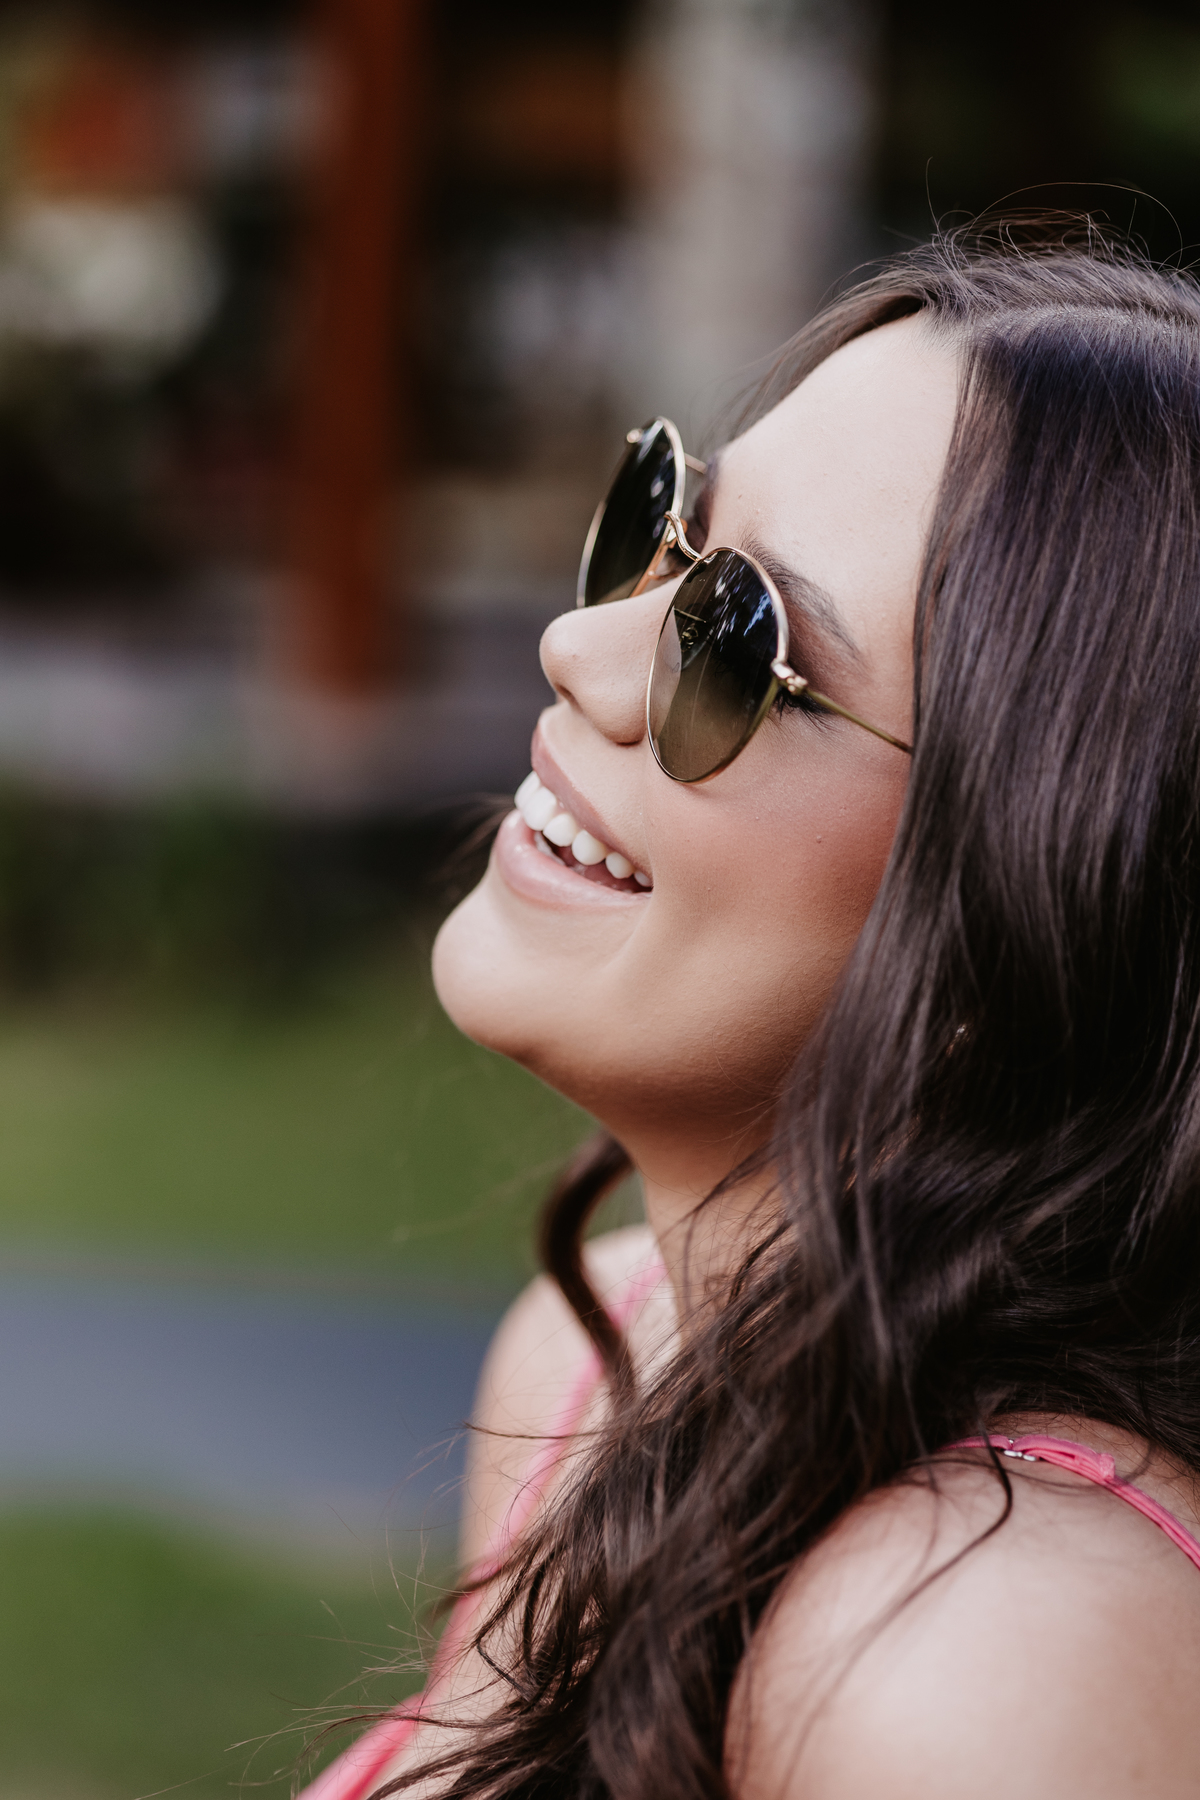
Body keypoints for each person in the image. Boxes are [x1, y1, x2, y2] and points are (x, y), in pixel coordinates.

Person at [307, 226, 1200, 1799]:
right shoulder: (596, 1361)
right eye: (661, 521)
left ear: (1033, 912)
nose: (578, 649)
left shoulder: (982, 1657)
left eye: (738, 637)